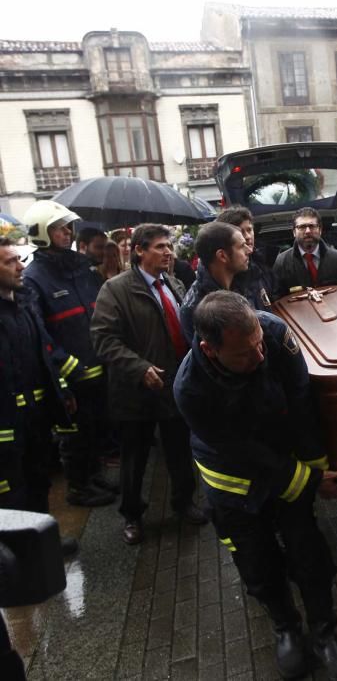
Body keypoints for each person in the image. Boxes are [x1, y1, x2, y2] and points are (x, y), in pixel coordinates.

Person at [173, 291, 337, 679]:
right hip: (233, 479)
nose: (259, 356)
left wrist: (318, 468)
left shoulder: (272, 333)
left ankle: (325, 632)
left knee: (308, 550)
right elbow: (240, 450)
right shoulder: (189, 389)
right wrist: (308, 481)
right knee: (257, 560)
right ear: (210, 350)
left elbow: (302, 401)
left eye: (258, 344)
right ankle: (286, 627)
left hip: (285, 459)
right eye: (244, 353)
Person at [90, 224, 207, 545]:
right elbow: (103, 339)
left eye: (169, 246)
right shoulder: (115, 289)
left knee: (180, 452)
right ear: (138, 250)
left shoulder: (174, 283)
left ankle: (184, 502)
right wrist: (139, 368)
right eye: (159, 247)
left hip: (174, 386)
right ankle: (132, 515)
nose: (168, 252)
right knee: (134, 460)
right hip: (135, 392)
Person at [21, 202, 116, 507]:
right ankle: (78, 487)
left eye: (67, 226)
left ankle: (92, 475)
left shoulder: (79, 266)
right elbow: (38, 332)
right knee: (73, 435)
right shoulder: (34, 277)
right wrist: (65, 366)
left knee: (93, 430)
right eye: (58, 228)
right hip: (69, 375)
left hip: (97, 366)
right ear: (41, 234)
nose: (67, 232)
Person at [0, 236, 80, 556]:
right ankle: (18, 555)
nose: (20, 266)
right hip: (6, 425)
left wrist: (61, 391)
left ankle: (42, 541)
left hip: (35, 415)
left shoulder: (23, 305)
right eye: (10, 262)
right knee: (12, 490)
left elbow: (43, 355)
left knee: (39, 479)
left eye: (18, 260)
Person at [179, 221, 253, 342]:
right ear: (222, 256)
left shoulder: (243, 281)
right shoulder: (195, 309)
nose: (249, 250)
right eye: (241, 246)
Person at [273, 208, 337, 295]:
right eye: (302, 227)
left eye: (312, 226)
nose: (308, 231)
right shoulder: (282, 262)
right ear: (294, 232)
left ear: (320, 230)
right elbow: (277, 299)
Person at [216, 205, 277, 312]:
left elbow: (275, 296)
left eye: (249, 230)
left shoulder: (261, 262)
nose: (248, 236)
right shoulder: (225, 275)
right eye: (241, 232)